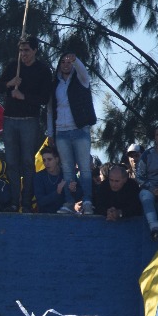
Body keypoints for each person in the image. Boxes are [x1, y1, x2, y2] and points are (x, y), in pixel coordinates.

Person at [0, 36, 52, 212]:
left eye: (26, 50)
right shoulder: (13, 66)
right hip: (10, 119)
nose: (23, 54)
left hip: (29, 121)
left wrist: (23, 96)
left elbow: (44, 98)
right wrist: (10, 83)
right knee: (11, 162)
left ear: (35, 50)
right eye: (21, 50)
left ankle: (26, 202)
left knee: (27, 162)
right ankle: (13, 201)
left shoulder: (43, 70)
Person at [47, 50, 97, 214]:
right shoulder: (55, 84)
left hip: (80, 130)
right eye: (63, 62)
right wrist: (50, 133)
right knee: (67, 169)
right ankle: (69, 202)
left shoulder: (81, 80)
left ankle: (87, 201)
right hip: (61, 131)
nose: (66, 65)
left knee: (84, 168)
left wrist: (76, 60)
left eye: (69, 62)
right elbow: (50, 110)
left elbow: (83, 72)